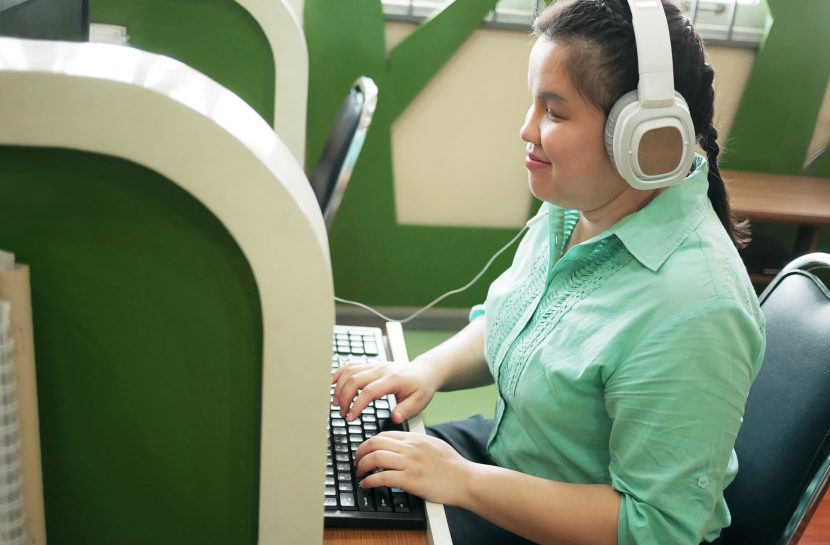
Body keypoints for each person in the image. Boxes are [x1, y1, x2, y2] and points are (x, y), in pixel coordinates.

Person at [331, 0, 766, 543]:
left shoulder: (697, 307)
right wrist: (428, 370)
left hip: (555, 524)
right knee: (333, 479)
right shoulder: (577, 205)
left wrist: (461, 481)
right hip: (503, 463)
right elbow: (517, 318)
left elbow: (657, 526)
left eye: (554, 112)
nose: (526, 129)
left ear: (645, 139)